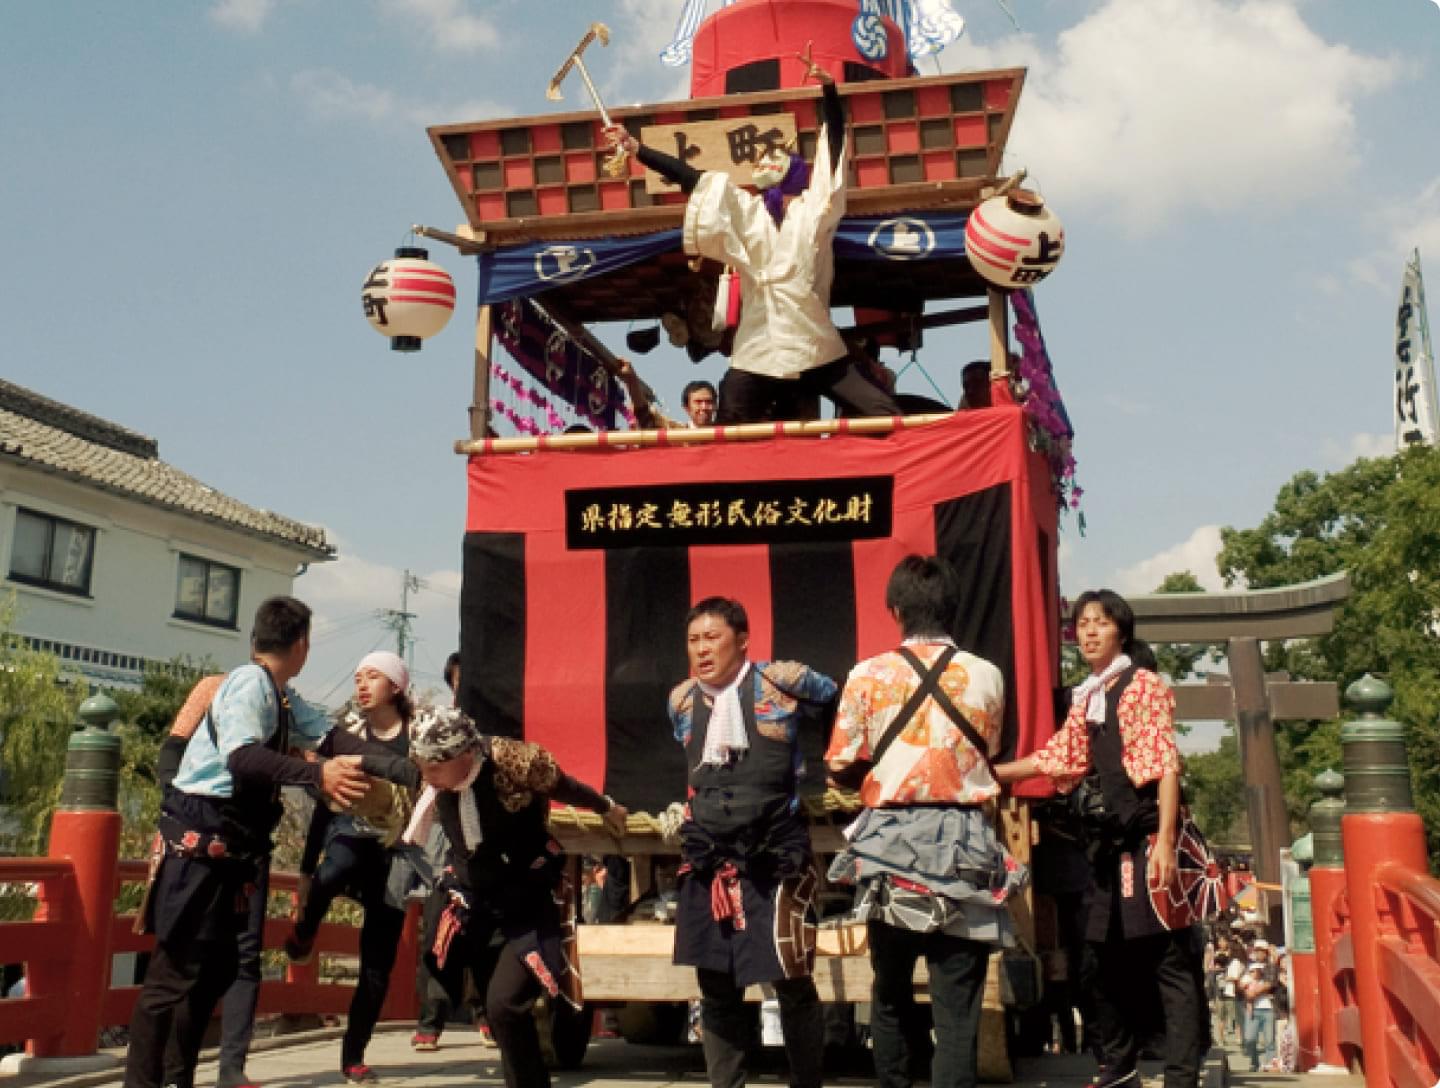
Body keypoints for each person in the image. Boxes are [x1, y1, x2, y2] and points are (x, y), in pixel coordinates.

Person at [125, 597, 410, 1088]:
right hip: (203, 835)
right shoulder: (247, 684)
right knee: (173, 975)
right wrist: (316, 777)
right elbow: (242, 758)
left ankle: (179, 1078)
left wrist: (406, 769)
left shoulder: (281, 696)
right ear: (302, 644)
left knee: (214, 973)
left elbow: (333, 740)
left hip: (234, 846)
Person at [607, 46, 899, 424]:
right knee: (730, 416)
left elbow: (833, 155)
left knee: (882, 412)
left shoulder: (813, 209)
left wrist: (829, 93)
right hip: (760, 343)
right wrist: (636, 149)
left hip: (812, 339)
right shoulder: (748, 211)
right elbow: (692, 180)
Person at [825, 556, 1025, 1088]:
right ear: (952, 608)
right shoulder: (987, 675)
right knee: (957, 1006)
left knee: (889, 991)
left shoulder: (867, 675)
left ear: (895, 610)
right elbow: (990, 752)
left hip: (890, 846)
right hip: (964, 844)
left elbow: (841, 763)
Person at [993, 589, 1206, 1088]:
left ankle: (1181, 1076)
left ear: (1121, 632)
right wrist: (991, 774)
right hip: (1107, 848)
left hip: (1147, 837)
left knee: (1166, 959)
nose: (1088, 632)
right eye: (1082, 623)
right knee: (1099, 958)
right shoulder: (1089, 695)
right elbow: (1058, 758)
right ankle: (1118, 1063)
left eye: (1101, 622)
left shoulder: (1141, 684)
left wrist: (1166, 843)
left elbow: (1164, 766)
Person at [401, 704, 627, 1088]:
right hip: (476, 903)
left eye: (433, 767)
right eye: (421, 766)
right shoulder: (431, 776)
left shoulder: (513, 761)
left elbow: (564, 786)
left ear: (463, 754)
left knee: (504, 1004)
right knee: (493, 1006)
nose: (426, 776)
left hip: (527, 896)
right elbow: (381, 766)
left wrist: (605, 807)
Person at [666, 597, 838, 1088]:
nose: (702, 650)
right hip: (710, 854)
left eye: (712, 638)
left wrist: (826, 773)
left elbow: (837, 701)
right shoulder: (681, 699)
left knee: (790, 977)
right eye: (694, 640)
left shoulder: (782, 682)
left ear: (742, 640)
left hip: (774, 852)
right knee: (715, 982)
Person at [284, 651, 423, 1083]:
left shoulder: (418, 739)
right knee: (333, 871)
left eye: (373, 677)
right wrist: (307, 869)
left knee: (377, 963)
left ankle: (353, 1057)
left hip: (395, 849)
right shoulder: (346, 734)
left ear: (396, 687)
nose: (361, 684)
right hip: (349, 834)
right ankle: (306, 930)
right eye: (358, 676)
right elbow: (326, 805)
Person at [153, 674, 264, 1088]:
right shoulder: (213, 687)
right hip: (198, 833)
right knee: (189, 956)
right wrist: (175, 800)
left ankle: (231, 1066)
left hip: (249, 842)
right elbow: (173, 746)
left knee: (241, 956)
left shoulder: (282, 703)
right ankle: (175, 1073)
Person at [1242, 940, 1277, 1072]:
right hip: (1252, 1008)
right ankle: (1254, 1061)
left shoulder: (1271, 966)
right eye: (1256, 950)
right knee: (1250, 1038)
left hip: (1268, 1007)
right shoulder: (1249, 965)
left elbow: (1271, 983)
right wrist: (1245, 990)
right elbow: (1242, 983)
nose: (1258, 953)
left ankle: (1269, 1063)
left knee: (1269, 1040)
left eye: (1261, 950)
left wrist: (1255, 992)